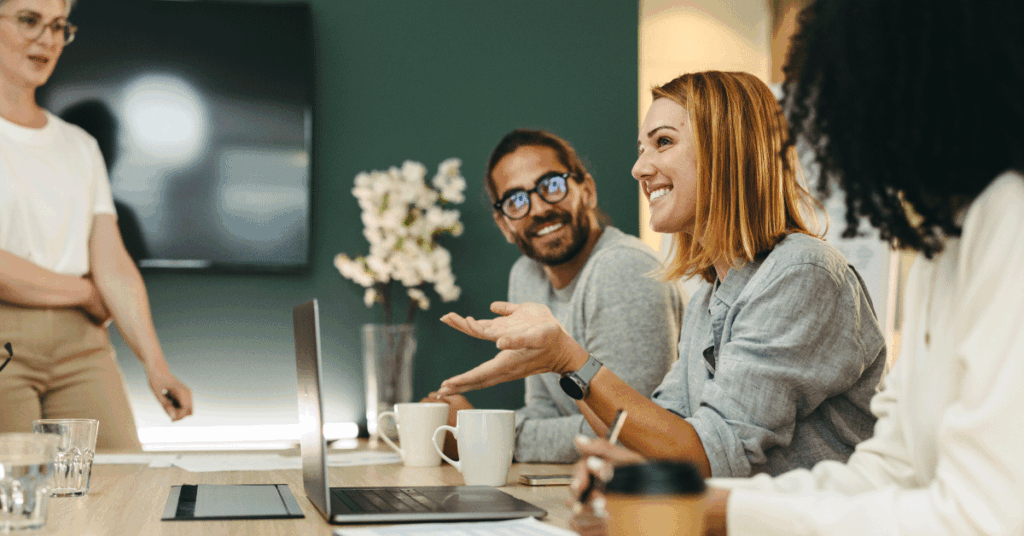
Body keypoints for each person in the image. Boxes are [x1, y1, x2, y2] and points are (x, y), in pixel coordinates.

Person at [574, 0, 1024, 534]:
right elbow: (889, 470)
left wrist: (570, 361)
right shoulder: (937, 245)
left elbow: (985, 516)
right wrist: (689, 500)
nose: (830, 127)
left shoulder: (1007, 216)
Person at [437, 71, 887, 479]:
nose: (639, 168)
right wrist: (562, 369)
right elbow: (656, 434)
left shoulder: (801, 272)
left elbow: (709, 455)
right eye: (641, 149)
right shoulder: (710, 297)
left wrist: (566, 358)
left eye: (664, 142)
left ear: (725, 149)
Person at [0, 0, 193, 450]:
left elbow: (113, 263)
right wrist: (84, 292)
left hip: (82, 347)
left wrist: (156, 364)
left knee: (124, 486)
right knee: (19, 506)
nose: (46, 40)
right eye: (30, 20)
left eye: (58, 26)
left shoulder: (79, 146)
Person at [428, 129, 683, 463]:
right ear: (505, 225)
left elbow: (629, 436)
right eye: (516, 200)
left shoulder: (622, 267)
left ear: (587, 191)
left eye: (551, 185)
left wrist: (480, 435)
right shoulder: (526, 275)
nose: (537, 209)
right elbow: (544, 411)